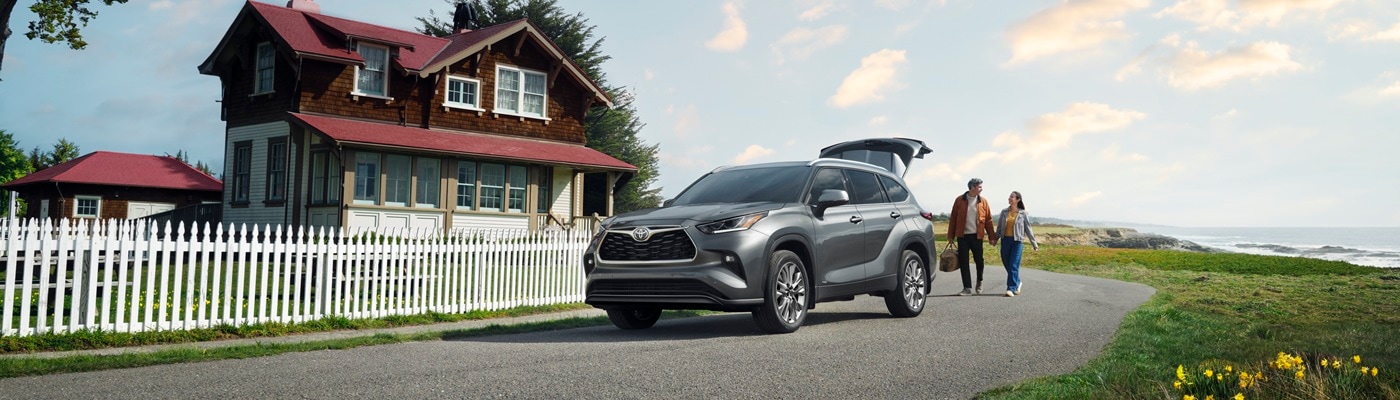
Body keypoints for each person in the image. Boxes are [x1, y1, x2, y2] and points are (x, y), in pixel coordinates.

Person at [947, 178, 995, 295]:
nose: (981, 189)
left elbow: (988, 220)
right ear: (972, 187)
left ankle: (980, 280)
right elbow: (953, 218)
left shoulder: (983, 201)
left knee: (979, 260)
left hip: (977, 236)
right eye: (979, 187)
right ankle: (967, 287)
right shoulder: (959, 200)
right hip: (963, 236)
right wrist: (950, 235)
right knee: (964, 261)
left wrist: (991, 236)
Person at [991, 191, 1038, 297]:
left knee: (1013, 265)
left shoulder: (1023, 213)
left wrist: (1034, 244)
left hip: (1017, 242)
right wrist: (995, 239)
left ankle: (1010, 288)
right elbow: (999, 227)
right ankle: (1018, 282)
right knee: (1007, 263)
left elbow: (1028, 229)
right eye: (1009, 197)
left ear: (1018, 200)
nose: (1009, 198)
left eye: (1012, 197)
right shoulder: (1004, 212)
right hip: (1005, 241)